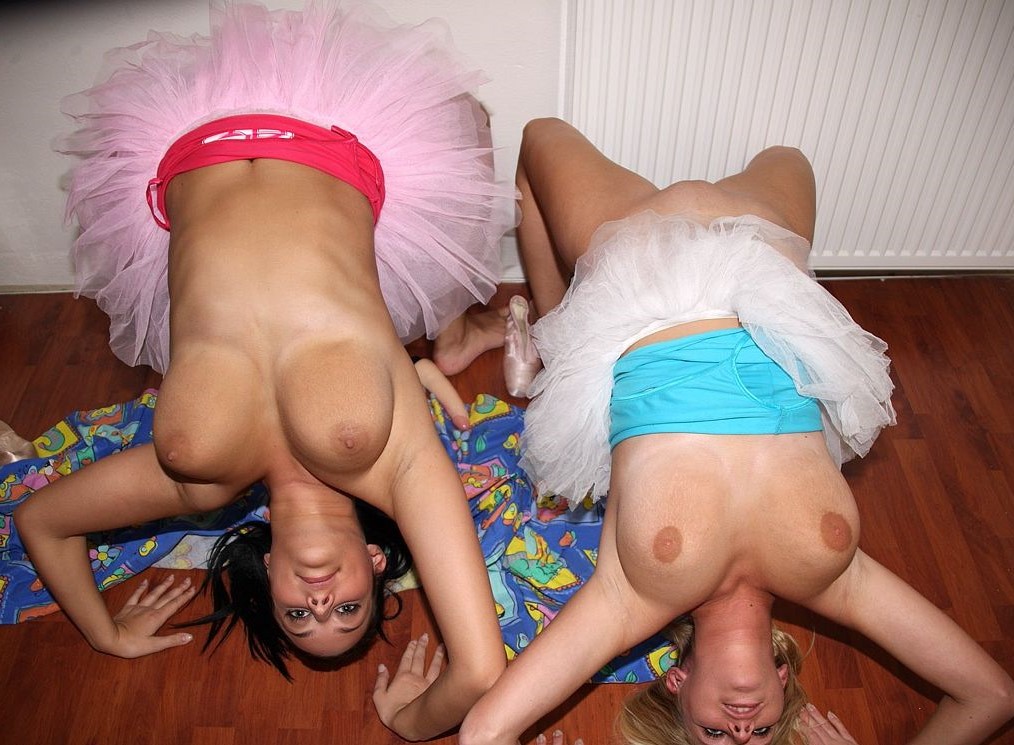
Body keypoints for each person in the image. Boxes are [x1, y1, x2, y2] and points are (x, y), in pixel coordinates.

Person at [13, 2, 515, 740]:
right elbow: (478, 671)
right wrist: (410, 726)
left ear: (270, 572)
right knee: (468, 124)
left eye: (297, 614)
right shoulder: (398, 464)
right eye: (347, 609)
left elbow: (41, 519)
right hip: (335, 136)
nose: (320, 600)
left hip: (193, 140)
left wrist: (106, 634)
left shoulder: (197, 482)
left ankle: (447, 343)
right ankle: (459, 334)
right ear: (376, 560)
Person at [457, 117, 1014, 744]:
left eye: (713, 736)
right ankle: (554, 334)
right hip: (762, 260)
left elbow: (484, 733)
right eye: (765, 736)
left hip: (638, 272)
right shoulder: (835, 582)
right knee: (789, 152)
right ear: (784, 679)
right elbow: (991, 695)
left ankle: (553, 329)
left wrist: (567, 332)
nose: (742, 732)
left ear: (676, 684)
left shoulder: (629, 600)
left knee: (539, 136)